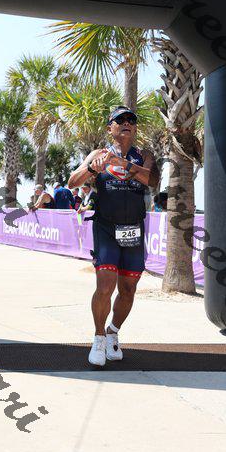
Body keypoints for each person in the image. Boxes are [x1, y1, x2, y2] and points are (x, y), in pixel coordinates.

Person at [68, 106, 160, 366]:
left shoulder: (145, 155)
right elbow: (73, 182)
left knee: (128, 289)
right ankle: (98, 338)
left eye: (131, 120)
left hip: (133, 229)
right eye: (120, 120)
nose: (127, 122)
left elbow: (152, 180)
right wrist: (93, 169)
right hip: (106, 227)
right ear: (110, 128)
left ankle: (113, 332)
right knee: (105, 286)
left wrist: (124, 164)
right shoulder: (98, 154)